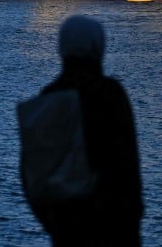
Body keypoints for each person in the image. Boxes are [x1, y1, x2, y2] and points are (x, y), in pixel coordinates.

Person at [23, 14, 144, 246]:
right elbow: (127, 167)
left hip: (66, 232)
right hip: (114, 231)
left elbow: (33, 176)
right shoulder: (109, 94)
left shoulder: (48, 98)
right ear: (97, 46)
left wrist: (55, 226)